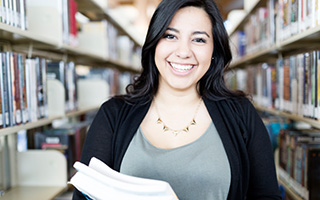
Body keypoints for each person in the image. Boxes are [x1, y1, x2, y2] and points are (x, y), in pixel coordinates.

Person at [73, 0, 281, 199]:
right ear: (154, 42)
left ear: (214, 51)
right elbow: (85, 196)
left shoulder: (241, 114)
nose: (183, 52)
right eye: (170, 36)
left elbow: (266, 195)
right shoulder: (113, 115)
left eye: (198, 39)